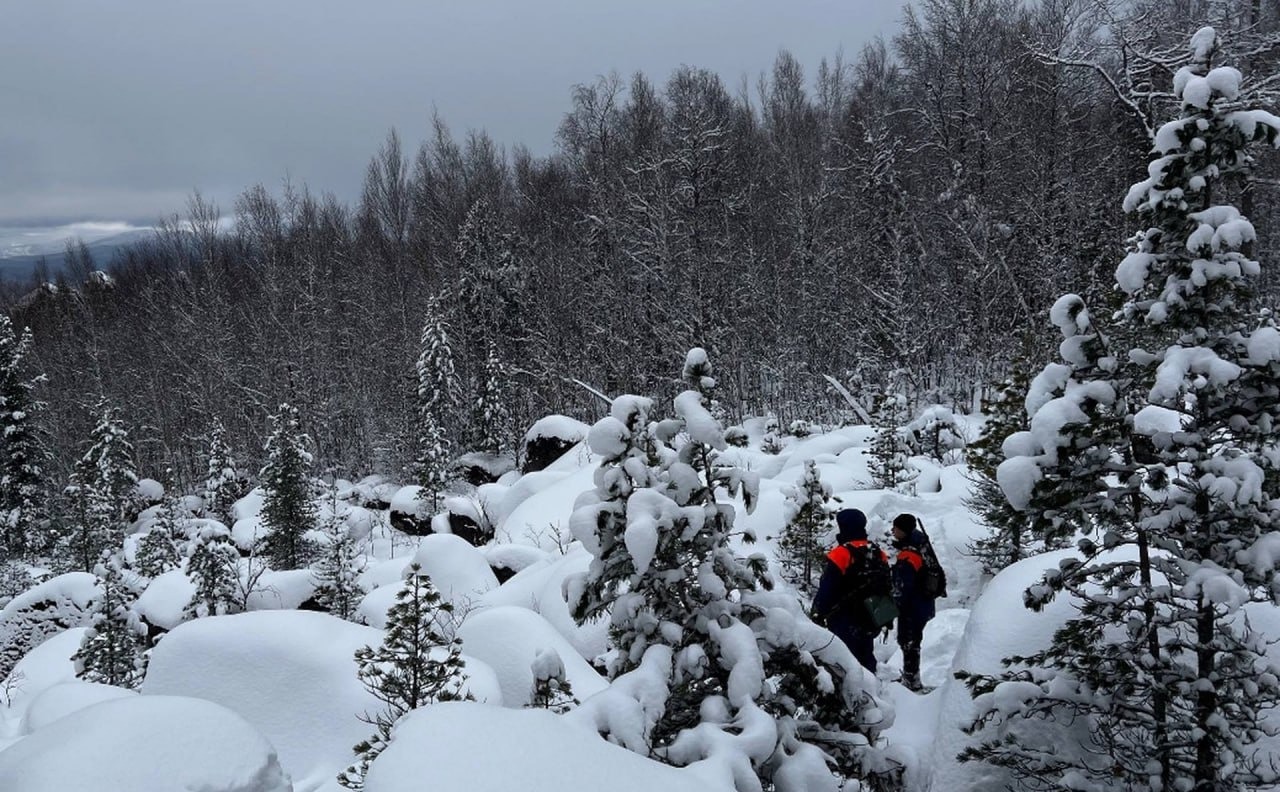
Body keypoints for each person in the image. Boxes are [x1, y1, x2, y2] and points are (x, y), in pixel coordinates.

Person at [811, 508, 891, 673]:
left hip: (845, 617)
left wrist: (818, 612)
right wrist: (885, 616)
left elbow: (828, 587)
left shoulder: (841, 553)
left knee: (844, 661)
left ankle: (850, 694)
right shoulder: (877, 552)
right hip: (872, 614)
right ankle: (871, 692)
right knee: (866, 655)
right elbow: (886, 586)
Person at [890, 513, 937, 691]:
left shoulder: (909, 554)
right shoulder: (922, 545)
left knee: (908, 641)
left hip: (912, 606)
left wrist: (894, 606)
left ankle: (911, 680)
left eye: (895, 528)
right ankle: (911, 678)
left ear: (903, 530)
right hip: (923, 603)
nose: (892, 531)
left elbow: (903, 586)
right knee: (913, 641)